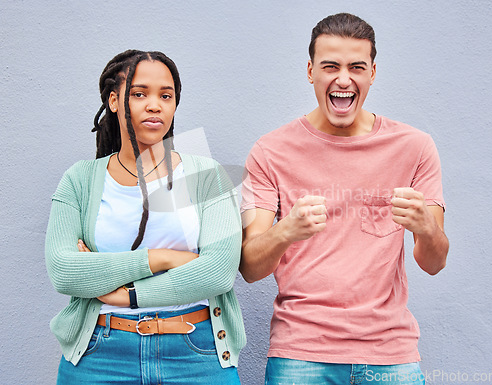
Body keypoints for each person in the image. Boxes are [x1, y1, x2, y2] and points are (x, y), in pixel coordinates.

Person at [240, 13, 449, 385]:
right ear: (310, 72)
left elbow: (434, 262)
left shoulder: (414, 147)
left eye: (356, 67)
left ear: (372, 73)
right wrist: (285, 230)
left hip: (390, 356)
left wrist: (426, 227)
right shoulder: (270, 151)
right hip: (299, 355)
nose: (343, 79)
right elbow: (250, 268)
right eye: (330, 66)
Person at [45, 49, 246, 384]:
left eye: (166, 96)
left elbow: (218, 272)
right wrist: (161, 258)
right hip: (100, 355)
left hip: (195, 354)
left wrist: (126, 295)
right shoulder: (81, 179)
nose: (155, 105)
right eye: (139, 94)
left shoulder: (202, 175)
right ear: (113, 101)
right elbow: (64, 271)